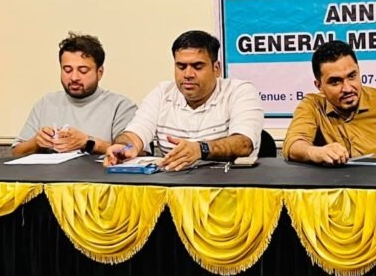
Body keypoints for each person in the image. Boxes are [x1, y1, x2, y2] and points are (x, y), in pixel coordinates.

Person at [104, 30, 263, 172]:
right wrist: (125, 147)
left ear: (216, 69)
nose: (188, 74)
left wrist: (200, 149)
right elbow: (135, 134)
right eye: (181, 66)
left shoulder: (240, 91)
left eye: (197, 66)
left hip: (229, 185)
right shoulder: (162, 93)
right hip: (174, 187)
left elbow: (243, 143)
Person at [12, 32, 137, 157]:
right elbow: (15, 153)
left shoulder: (120, 106)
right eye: (67, 70)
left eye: (83, 71)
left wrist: (89, 143)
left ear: (100, 72)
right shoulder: (46, 103)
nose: (74, 77)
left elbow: (133, 150)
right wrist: (37, 142)